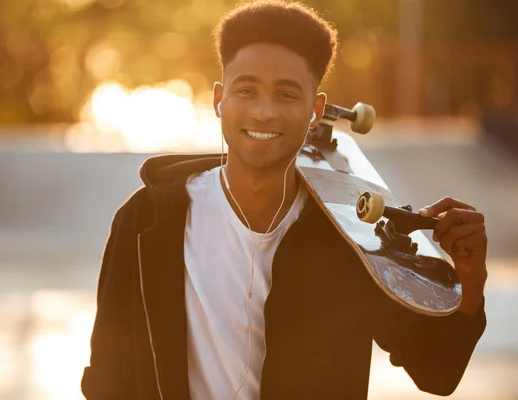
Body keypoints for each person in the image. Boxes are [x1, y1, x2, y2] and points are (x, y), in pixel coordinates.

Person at [81, 1, 488, 399]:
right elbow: (106, 380)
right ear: (219, 98)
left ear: (316, 110)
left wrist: (470, 279)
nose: (263, 112)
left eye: (286, 95)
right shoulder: (147, 220)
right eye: (246, 90)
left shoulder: (351, 237)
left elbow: (436, 371)